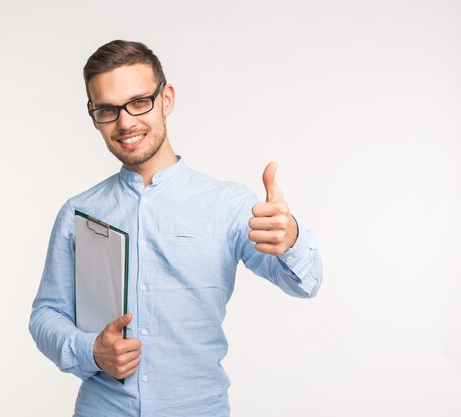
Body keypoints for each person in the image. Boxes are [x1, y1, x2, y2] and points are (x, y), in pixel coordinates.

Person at [29, 40, 322, 417]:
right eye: (108, 109)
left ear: (166, 99)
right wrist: (91, 352)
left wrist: (291, 237)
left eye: (138, 102)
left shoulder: (228, 204)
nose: (125, 122)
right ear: (93, 115)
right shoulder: (79, 211)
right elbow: (46, 313)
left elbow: (304, 283)